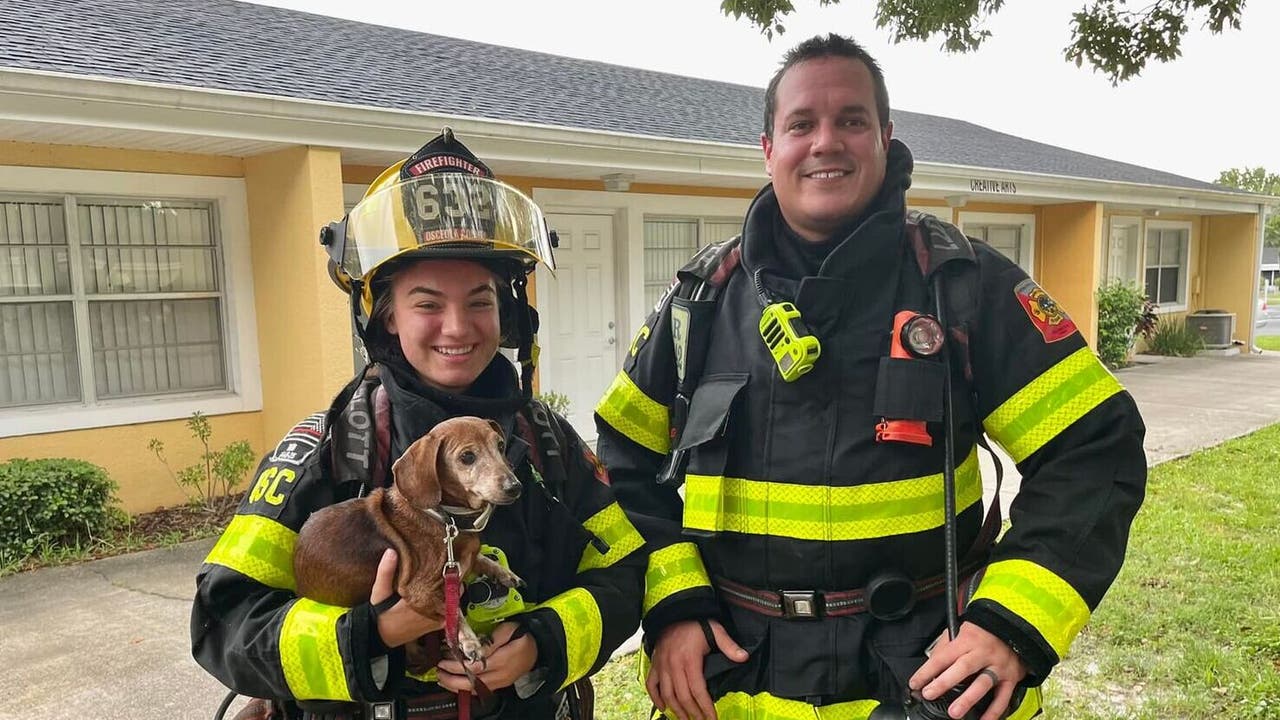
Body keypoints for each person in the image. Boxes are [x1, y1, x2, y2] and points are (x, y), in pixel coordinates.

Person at [595, 34, 1146, 720]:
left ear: (884, 138)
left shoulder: (962, 288)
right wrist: (675, 607)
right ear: (768, 149)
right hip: (734, 675)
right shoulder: (702, 301)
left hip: (926, 677)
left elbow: (1095, 449)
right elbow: (620, 462)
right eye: (801, 124)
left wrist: (1009, 623)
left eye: (851, 120)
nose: (826, 141)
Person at [191, 130, 646, 720]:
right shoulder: (330, 448)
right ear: (386, 318)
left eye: (479, 301)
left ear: (507, 315)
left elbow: (625, 567)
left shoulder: (547, 441)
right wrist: (371, 634)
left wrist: (543, 641)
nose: (457, 327)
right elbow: (225, 619)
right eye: (427, 303)